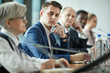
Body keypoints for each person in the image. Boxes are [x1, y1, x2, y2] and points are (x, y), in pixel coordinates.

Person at [0, 2, 71, 73]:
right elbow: (17, 67)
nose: (26, 21)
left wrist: (52, 62)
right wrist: (43, 65)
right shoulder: (1, 41)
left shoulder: (11, 40)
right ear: (8, 23)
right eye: (21, 18)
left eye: (57, 15)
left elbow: (27, 59)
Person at [21, 1, 86, 63]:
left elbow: (62, 53)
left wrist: (62, 36)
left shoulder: (50, 33)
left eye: (57, 15)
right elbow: (42, 58)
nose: (53, 17)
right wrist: (72, 57)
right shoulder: (34, 31)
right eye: (51, 14)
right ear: (41, 13)